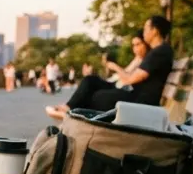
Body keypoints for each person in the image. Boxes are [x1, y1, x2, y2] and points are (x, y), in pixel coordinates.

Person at [46, 15, 174, 121]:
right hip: (136, 95)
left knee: (99, 96)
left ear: (155, 31)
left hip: (141, 101)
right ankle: (70, 110)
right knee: (91, 81)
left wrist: (115, 67)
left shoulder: (160, 52)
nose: (144, 32)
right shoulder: (158, 51)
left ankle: (73, 114)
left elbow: (130, 79)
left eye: (147, 28)